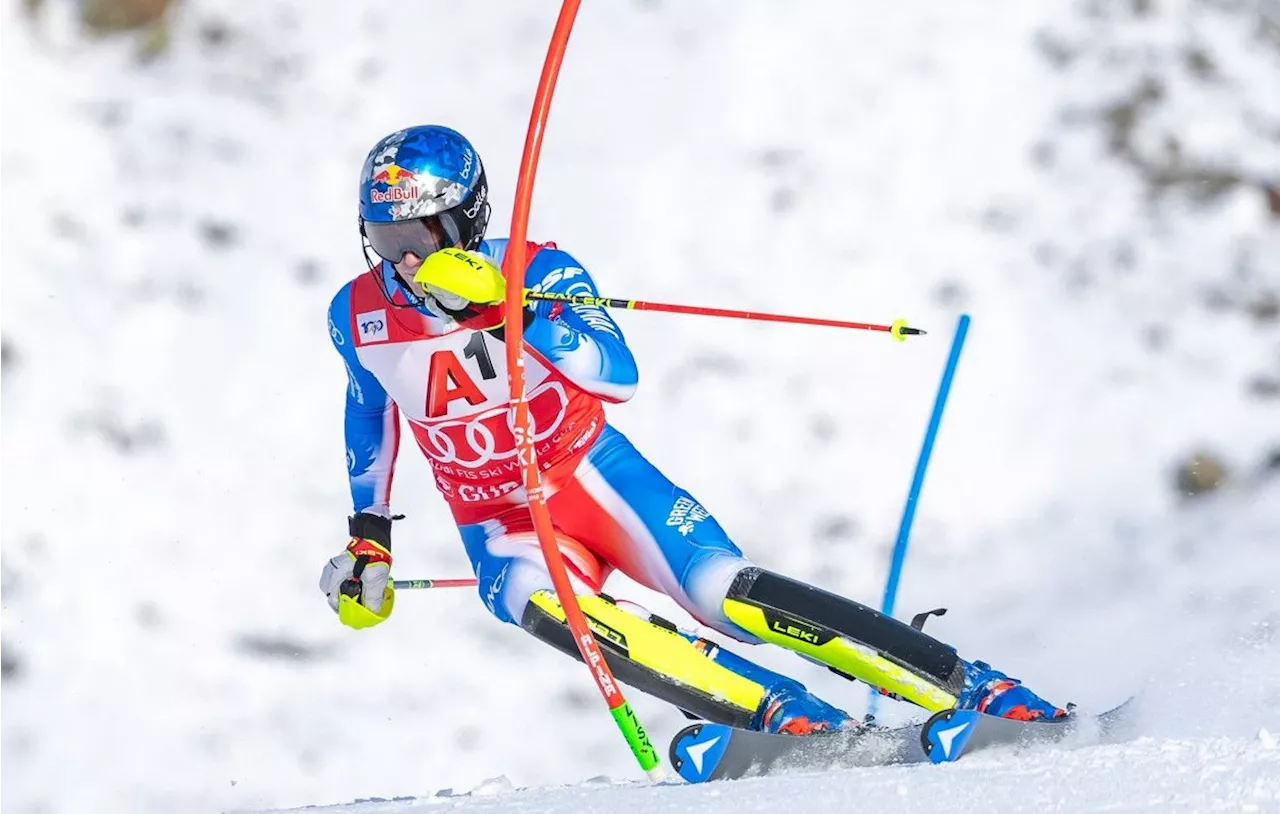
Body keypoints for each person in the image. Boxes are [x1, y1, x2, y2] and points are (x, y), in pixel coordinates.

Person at [321, 124, 1066, 735]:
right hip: (496, 517)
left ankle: (967, 685)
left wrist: (514, 311)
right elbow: (369, 413)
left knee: (719, 592)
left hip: (593, 477)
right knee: (538, 603)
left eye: (419, 233)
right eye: (384, 240)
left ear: (465, 219)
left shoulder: (536, 267)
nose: (406, 260)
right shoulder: (357, 314)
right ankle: (781, 715)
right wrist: (370, 541)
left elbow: (617, 373)